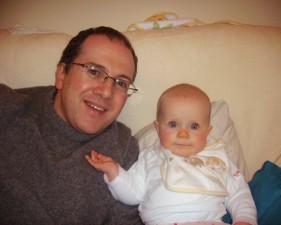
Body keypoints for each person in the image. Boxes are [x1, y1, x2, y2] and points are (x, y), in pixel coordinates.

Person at [0, 26, 143, 225]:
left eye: (120, 83)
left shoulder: (126, 149)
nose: (107, 92)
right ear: (61, 75)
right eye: (94, 71)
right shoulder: (6, 107)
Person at [85, 83, 258, 225]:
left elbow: (239, 192)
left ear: (208, 131)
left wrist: (244, 218)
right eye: (173, 124)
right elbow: (133, 193)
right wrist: (115, 172)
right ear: (158, 128)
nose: (183, 134)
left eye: (194, 126)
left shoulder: (217, 158)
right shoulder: (149, 157)